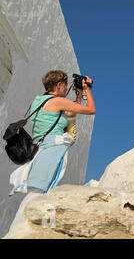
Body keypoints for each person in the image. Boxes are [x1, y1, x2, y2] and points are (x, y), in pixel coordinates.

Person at [8, 70, 95, 232]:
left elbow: (70, 113)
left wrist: (78, 96)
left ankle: (18, 230)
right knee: (43, 192)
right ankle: (24, 231)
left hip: (41, 150)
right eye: (65, 84)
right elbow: (91, 109)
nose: (66, 88)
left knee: (39, 191)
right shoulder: (57, 102)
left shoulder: (39, 101)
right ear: (59, 85)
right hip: (55, 149)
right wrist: (87, 91)